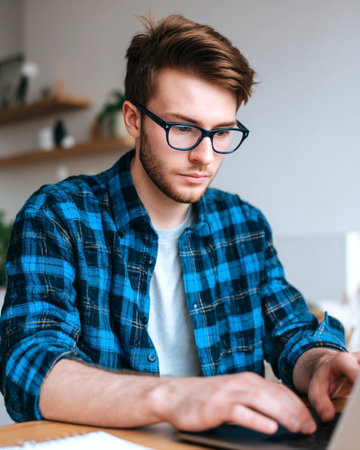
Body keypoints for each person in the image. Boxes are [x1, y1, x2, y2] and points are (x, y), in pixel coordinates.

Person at [0, 14, 359, 435]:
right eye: (184, 128)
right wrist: (175, 396)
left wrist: (320, 364)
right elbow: (28, 364)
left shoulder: (244, 225)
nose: (205, 156)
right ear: (134, 120)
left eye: (222, 132)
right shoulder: (58, 216)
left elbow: (293, 331)